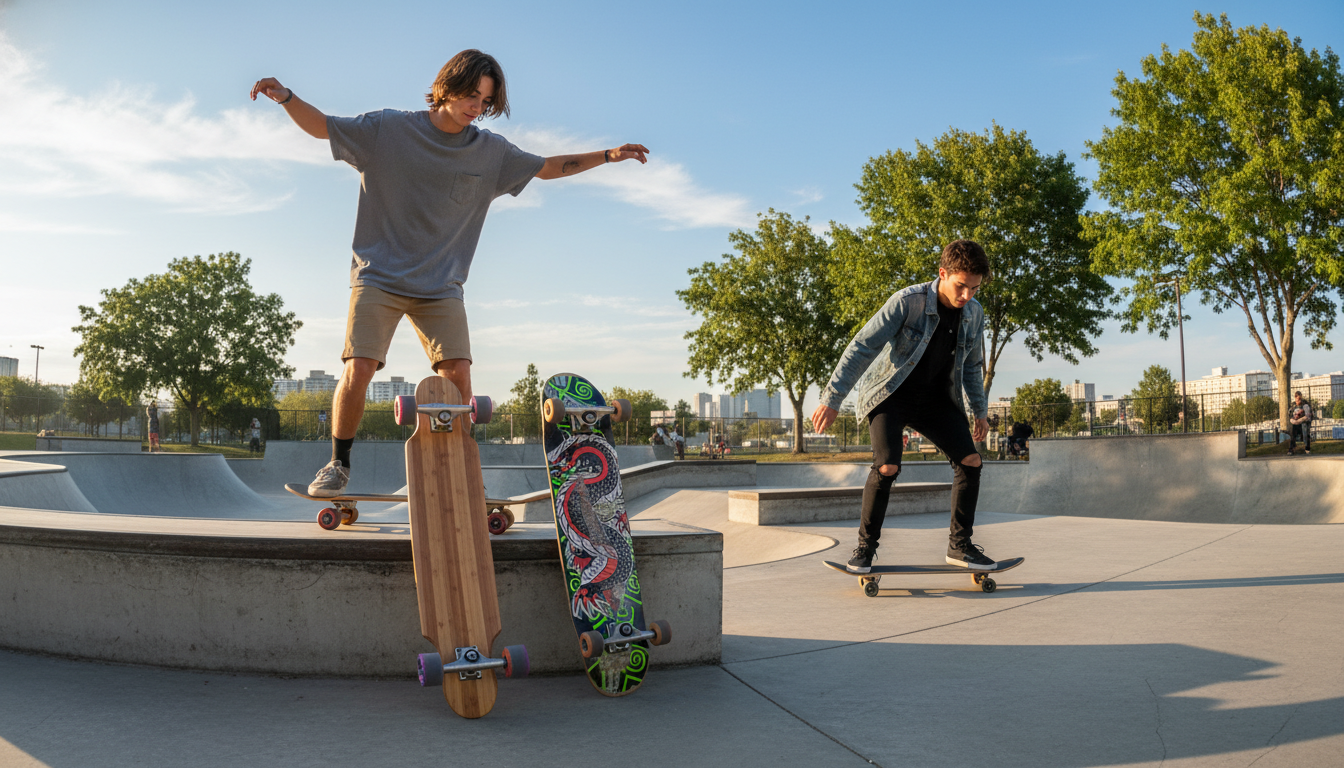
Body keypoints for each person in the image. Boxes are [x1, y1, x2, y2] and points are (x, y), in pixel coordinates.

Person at [251, 51, 649, 498]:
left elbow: (549, 167)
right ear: (446, 86)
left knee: (459, 373)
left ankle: (461, 466)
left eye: (485, 100)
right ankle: (338, 463)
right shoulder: (388, 129)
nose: (476, 106)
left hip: (441, 287)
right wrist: (286, 97)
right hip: (378, 276)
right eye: (470, 95)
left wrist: (609, 156)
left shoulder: (491, 152)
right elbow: (324, 125)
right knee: (359, 366)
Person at [810, 240, 997, 573]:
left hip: (937, 399)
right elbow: (862, 347)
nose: (967, 296)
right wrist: (833, 398)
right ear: (943, 274)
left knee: (970, 460)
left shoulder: (974, 313)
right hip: (890, 394)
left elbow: (972, 365)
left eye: (974, 288)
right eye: (960, 286)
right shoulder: (907, 302)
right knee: (887, 467)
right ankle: (865, 549)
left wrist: (979, 411)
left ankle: (960, 546)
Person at [1288, 391, 1313, 455]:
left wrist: (1300, 420)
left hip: (1304, 423)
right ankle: (1291, 449)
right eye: (1296, 399)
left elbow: (1308, 416)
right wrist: (1293, 420)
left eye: (1299, 399)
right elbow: (1290, 414)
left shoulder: (1305, 405)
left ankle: (1307, 448)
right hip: (1296, 424)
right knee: (1293, 435)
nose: (1297, 401)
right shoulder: (1293, 405)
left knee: (1306, 434)